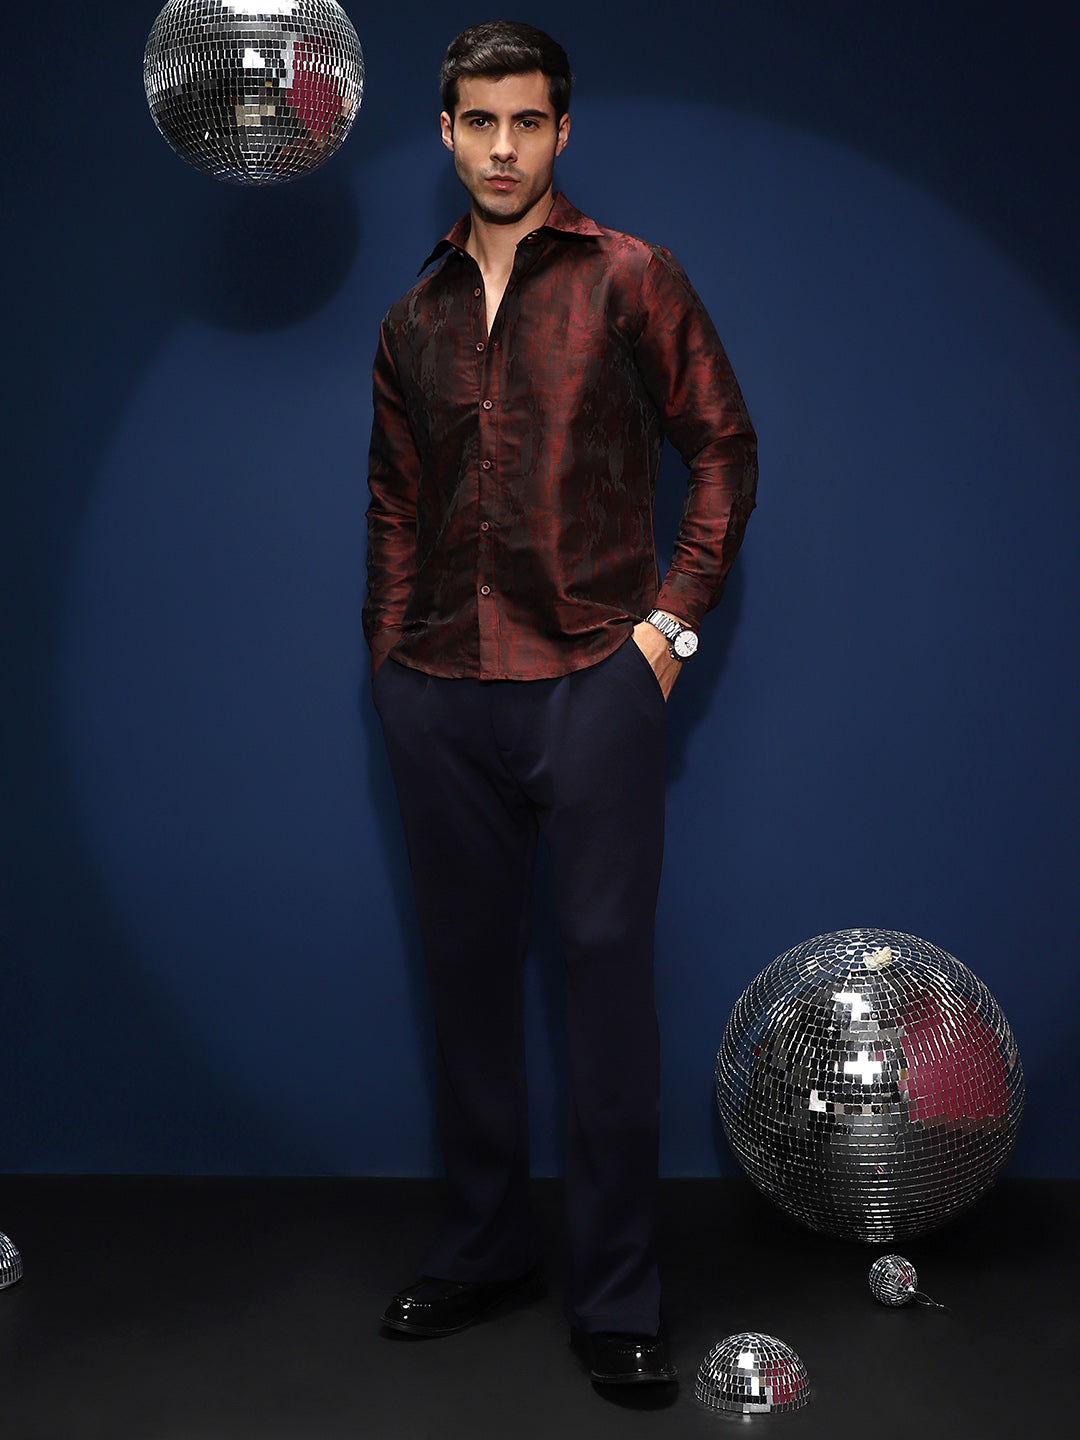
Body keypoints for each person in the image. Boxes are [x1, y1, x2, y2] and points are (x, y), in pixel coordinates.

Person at [363, 19, 757, 1388]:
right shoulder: (411, 317)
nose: (503, 147)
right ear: (446, 132)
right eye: (479, 122)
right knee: (466, 984)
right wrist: (388, 661)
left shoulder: (633, 277)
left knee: (606, 991)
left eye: (527, 121)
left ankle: (618, 1295)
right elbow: (394, 502)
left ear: (563, 130)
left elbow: (723, 446)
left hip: (593, 678)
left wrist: (669, 627)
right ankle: (484, 1248)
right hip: (438, 695)